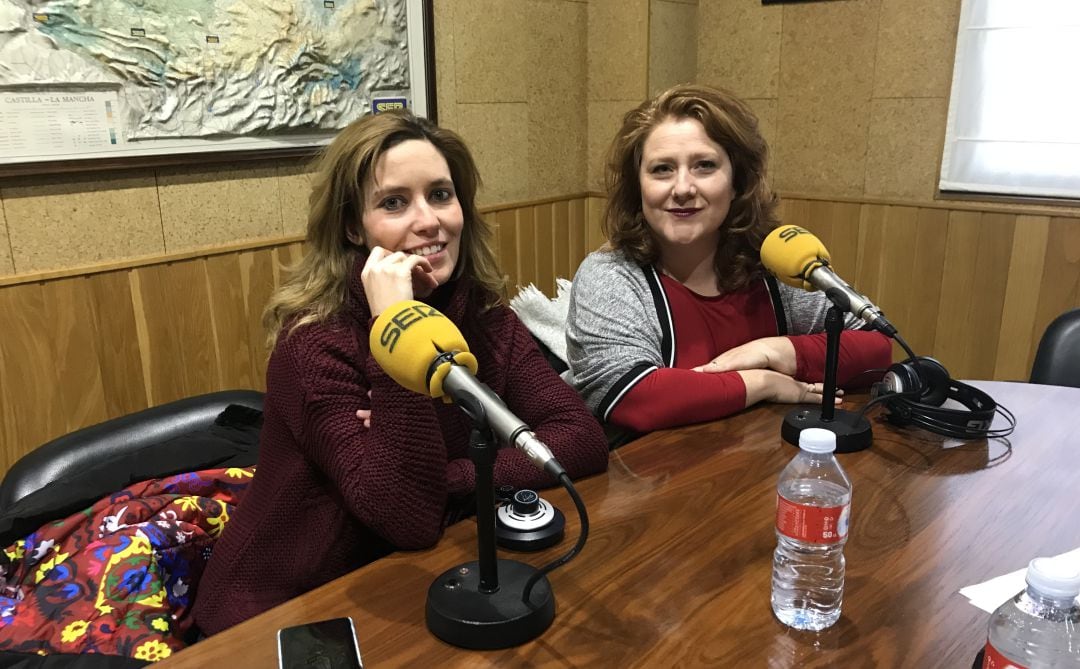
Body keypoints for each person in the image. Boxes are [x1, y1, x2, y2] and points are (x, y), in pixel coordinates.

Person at [193, 110, 608, 635]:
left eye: (440, 194)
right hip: (281, 610)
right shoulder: (313, 343)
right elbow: (406, 516)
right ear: (351, 226)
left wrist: (451, 476)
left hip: (411, 581)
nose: (429, 220)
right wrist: (395, 325)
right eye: (394, 203)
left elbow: (579, 440)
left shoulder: (486, 319)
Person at [565, 84, 892, 435]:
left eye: (704, 166)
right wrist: (764, 384)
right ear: (638, 187)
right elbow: (633, 397)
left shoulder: (773, 264)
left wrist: (774, 351)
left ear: (738, 181)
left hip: (763, 470)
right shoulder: (611, 276)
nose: (682, 188)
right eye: (662, 169)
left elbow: (877, 349)